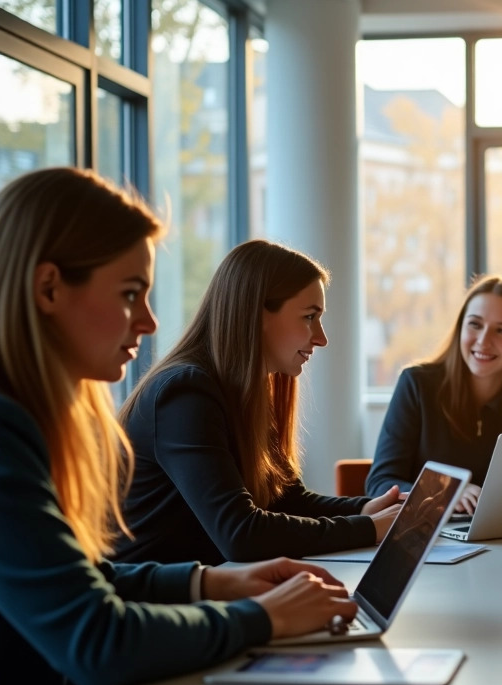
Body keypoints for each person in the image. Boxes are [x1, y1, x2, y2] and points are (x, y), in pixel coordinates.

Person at [0, 168, 357, 685]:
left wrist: (213, 585)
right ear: (49, 288)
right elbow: (98, 639)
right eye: (129, 293)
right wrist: (264, 616)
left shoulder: (31, 420)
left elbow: (85, 577)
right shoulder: (8, 431)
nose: (149, 321)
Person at [113, 240, 403, 565]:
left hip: (207, 588)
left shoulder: (245, 388)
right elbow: (241, 535)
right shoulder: (184, 394)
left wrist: (365, 510)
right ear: (257, 314)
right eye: (309, 317)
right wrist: (367, 529)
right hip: (150, 604)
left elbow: (287, 499)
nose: (321, 338)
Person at [366, 275, 502, 510]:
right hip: (430, 538)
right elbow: (380, 484)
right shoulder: (417, 385)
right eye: (475, 324)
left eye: (501, 331)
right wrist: (445, 491)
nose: (483, 341)